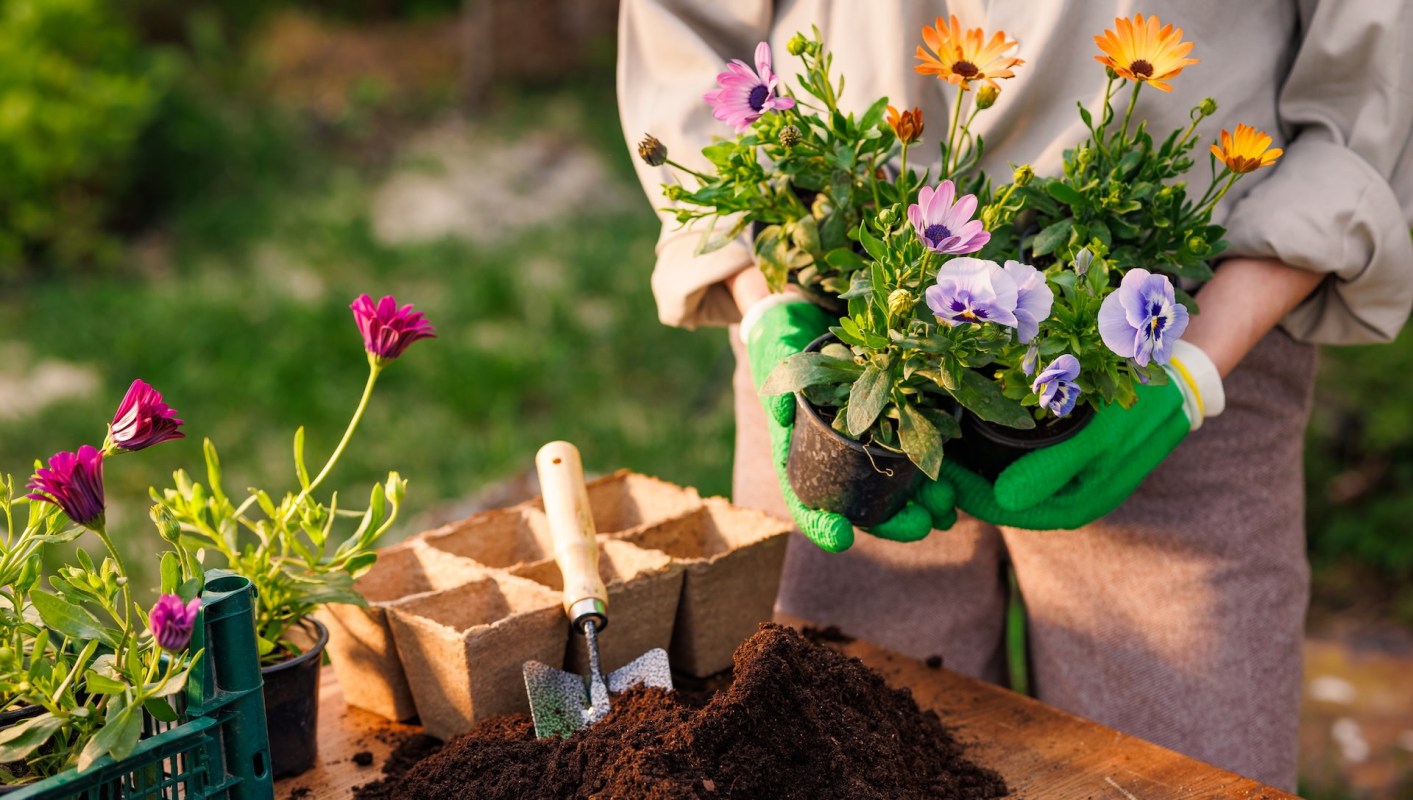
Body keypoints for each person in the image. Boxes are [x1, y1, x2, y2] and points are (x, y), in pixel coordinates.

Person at [617, 0, 1413, 790]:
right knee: (835, 755)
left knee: (1180, 772)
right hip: (845, 321)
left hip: (1167, 322)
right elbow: (682, 35)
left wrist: (1193, 369)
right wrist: (766, 304)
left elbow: (1374, 83)